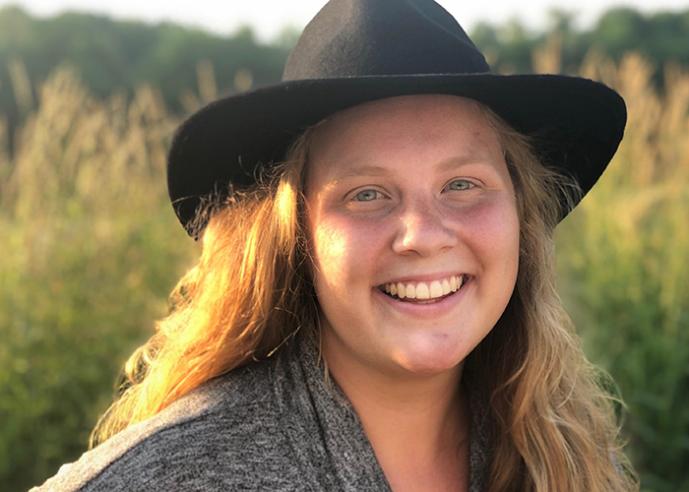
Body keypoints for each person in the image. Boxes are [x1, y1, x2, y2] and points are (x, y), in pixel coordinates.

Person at [32, 0, 638, 491]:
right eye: (367, 194)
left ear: (520, 217)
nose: (423, 235)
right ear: (295, 239)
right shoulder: (170, 478)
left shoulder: (568, 455)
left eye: (462, 184)